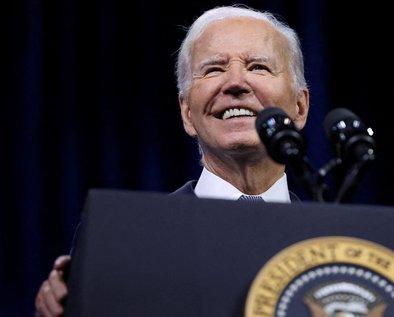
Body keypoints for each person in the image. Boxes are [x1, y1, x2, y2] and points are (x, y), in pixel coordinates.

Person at [34, 4, 310, 316]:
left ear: (299, 107)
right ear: (187, 113)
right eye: (213, 69)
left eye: (258, 66)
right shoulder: (124, 240)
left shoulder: (335, 243)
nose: (235, 83)